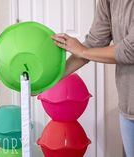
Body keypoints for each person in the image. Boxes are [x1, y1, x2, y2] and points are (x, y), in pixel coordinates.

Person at [51, 0, 134, 156]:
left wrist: (82, 51)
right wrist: (50, 81)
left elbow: (130, 50)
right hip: (128, 106)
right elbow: (94, 43)